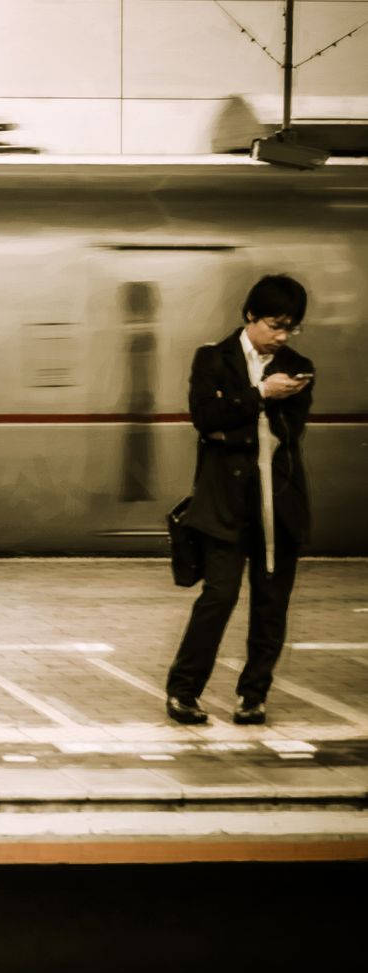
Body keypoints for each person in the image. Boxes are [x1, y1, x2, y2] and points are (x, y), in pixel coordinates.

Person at [165, 274, 316, 727]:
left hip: (279, 502)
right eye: (276, 324)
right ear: (251, 315)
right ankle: (183, 692)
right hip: (225, 503)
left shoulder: (299, 364)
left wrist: (235, 418)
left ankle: (253, 696)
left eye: (291, 327)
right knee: (219, 596)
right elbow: (204, 419)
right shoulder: (212, 358)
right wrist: (260, 396)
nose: (282, 336)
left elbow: (287, 433)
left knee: (272, 604)